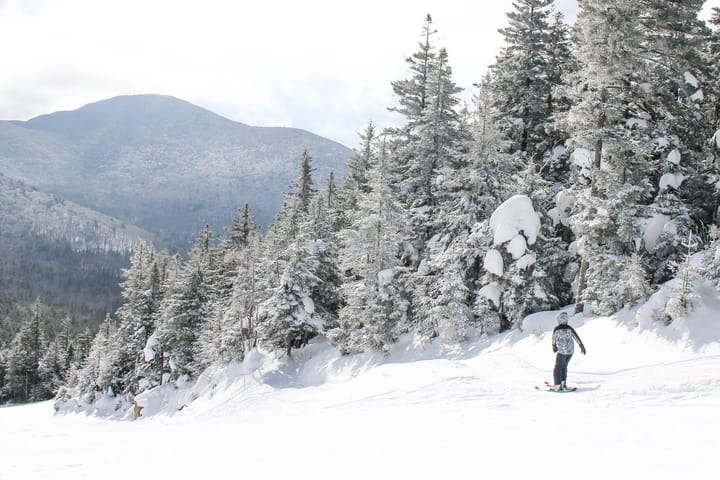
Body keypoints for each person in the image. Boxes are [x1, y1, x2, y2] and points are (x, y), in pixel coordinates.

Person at [551, 312, 586, 391]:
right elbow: (576, 337)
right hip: (570, 352)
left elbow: (553, 338)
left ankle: (557, 385)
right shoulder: (569, 328)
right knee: (564, 367)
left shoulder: (557, 328)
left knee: (558, 368)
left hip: (561, 352)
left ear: (559, 320)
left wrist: (554, 346)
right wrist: (581, 346)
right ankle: (563, 383)